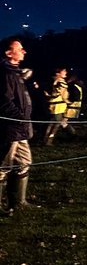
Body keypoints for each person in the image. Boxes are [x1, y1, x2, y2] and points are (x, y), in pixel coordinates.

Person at [1, 38, 35, 216]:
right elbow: (4, 102)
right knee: (2, 167)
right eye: (20, 49)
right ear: (8, 53)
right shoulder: (5, 74)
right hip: (10, 129)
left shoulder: (15, 73)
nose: (24, 51)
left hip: (21, 129)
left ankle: (19, 201)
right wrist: (19, 117)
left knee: (24, 163)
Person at [42, 67, 68, 145]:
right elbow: (58, 94)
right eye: (63, 71)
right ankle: (49, 141)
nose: (66, 72)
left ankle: (46, 139)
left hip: (54, 105)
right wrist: (69, 102)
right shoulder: (60, 82)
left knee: (52, 122)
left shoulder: (55, 81)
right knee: (56, 124)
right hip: (57, 106)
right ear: (58, 73)